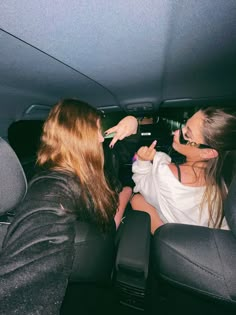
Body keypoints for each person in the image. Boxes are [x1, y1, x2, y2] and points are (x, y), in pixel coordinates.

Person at [0, 98, 138, 314]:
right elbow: (24, 281)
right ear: (78, 136)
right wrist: (126, 194)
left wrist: (132, 121)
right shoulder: (54, 188)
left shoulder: (84, 172)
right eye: (96, 130)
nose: (101, 138)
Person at [131, 106, 236, 234]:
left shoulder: (166, 174)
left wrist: (142, 160)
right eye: (184, 126)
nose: (176, 132)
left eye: (186, 134)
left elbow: (140, 183)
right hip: (205, 245)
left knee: (136, 199)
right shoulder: (227, 184)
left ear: (208, 152)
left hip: (174, 241)